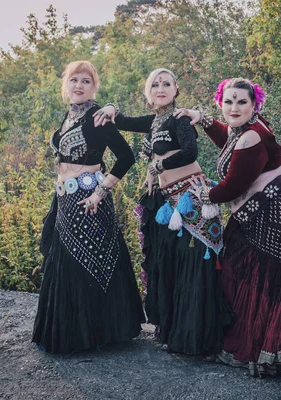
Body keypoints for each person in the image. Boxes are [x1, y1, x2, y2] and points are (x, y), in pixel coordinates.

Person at [176, 78, 281, 376]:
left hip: (275, 214)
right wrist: (205, 121)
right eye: (228, 101)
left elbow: (233, 185)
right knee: (241, 272)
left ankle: (269, 350)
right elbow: (228, 139)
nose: (234, 107)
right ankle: (254, 345)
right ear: (220, 103)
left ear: (254, 105)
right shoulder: (245, 129)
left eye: (241, 102)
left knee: (262, 280)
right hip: (260, 211)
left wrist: (202, 193)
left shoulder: (252, 137)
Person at [93, 68, 229, 356]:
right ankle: (177, 330)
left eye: (167, 83)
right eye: (155, 84)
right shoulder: (155, 122)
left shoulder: (180, 120)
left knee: (194, 263)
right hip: (171, 200)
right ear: (148, 94)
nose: (161, 88)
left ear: (176, 90)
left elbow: (190, 152)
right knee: (176, 266)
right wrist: (110, 108)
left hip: (191, 198)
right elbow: (123, 121)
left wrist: (157, 167)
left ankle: (200, 337)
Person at [33, 60, 145, 353]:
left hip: (88, 200)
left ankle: (95, 333)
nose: (79, 85)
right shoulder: (68, 116)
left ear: (94, 87)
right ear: (66, 85)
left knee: (87, 261)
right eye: (74, 80)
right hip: (65, 197)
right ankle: (72, 332)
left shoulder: (97, 117)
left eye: (85, 81)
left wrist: (100, 192)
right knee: (66, 259)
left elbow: (126, 157)